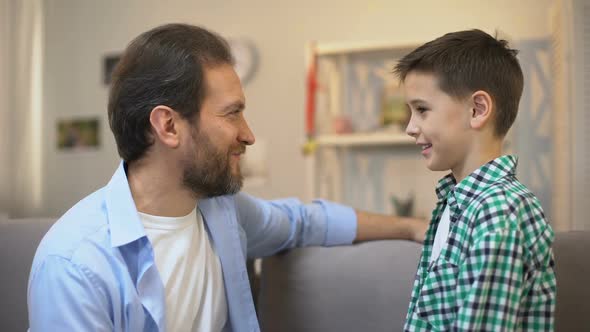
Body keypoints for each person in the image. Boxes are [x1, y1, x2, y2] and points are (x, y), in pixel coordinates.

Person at [27, 23, 427, 332]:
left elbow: (304, 221)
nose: (248, 134)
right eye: (232, 113)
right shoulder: (75, 263)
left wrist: (411, 227)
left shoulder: (222, 211)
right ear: (168, 126)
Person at [394, 29, 556, 331]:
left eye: (422, 110)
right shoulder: (458, 205)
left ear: (477, 109)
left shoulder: (498, 211)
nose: (410, 127)